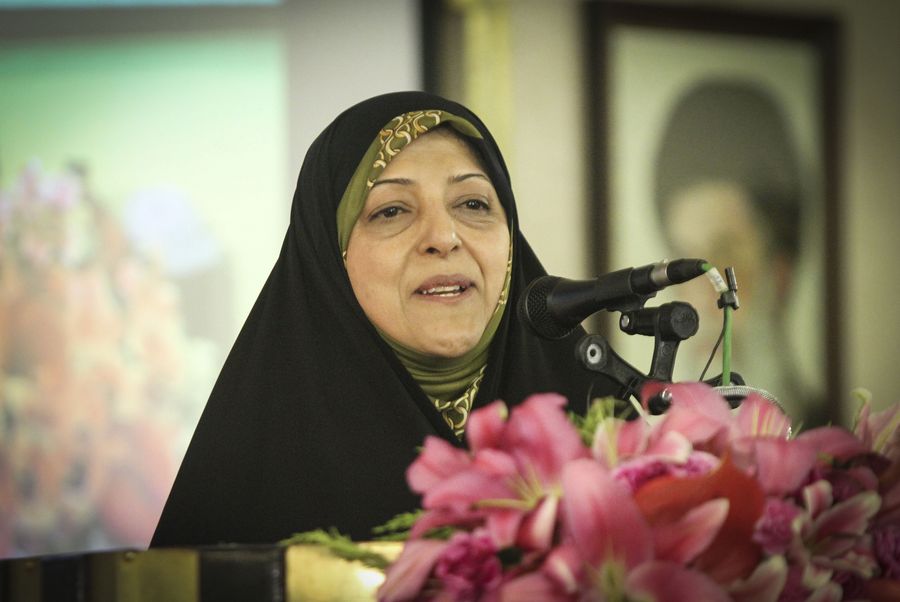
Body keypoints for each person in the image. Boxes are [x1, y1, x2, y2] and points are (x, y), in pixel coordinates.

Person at [150, 91, 613, 547]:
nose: (443, 237)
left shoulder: (600, 430)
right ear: (331, 255)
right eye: (392, 211)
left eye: (472, 204)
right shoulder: (252, 469)